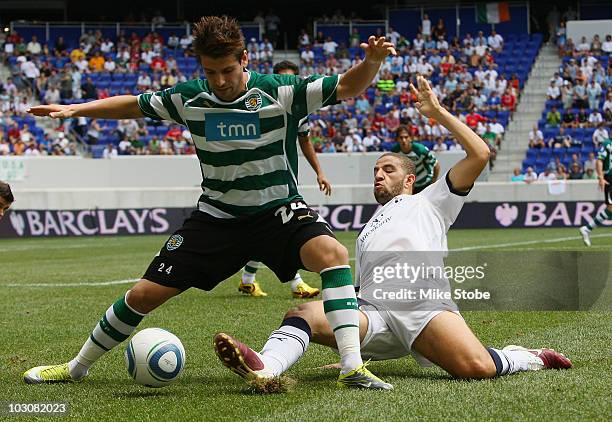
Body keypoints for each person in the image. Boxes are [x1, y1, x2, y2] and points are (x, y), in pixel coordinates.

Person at [22, 15, 397, 390]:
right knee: (142, 294)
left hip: (278, 212)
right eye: (211, 72)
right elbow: (133, 105)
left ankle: (352, 367)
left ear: (245, 59)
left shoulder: (281, 92)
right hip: (216, 219)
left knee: (332, 254)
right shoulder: (188, 97)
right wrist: (75, 109)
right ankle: (76, 367)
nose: (220, 82)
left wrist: (372, 62)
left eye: (227, 71)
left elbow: (348, 86)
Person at [212, 76, 571, 390]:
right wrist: (349, 344)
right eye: (375, 171)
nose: (378, 175)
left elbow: (479, 153)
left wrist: (437, 114)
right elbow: (358, 288)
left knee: (474, 368)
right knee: (304, 312)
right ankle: (266, 367)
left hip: (421, 305)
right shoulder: (367, 230)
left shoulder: (432, 200)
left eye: (387, 169)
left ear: (410, 180)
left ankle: (529, 357)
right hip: (375, 315)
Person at [238, 60, 331, 299]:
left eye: (292, 78)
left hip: (285, 180)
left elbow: (305, 141)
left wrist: (320, 171)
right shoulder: (256, 106)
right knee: (280, 231)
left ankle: (248, 280)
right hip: (261, 182)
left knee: (263, 232)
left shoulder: (298, 110)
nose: (287, 83)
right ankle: (296, 283)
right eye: (282, 78)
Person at [579, 137, 612, 246]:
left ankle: (587, 229)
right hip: (610, 178)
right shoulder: (607, 144)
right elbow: (599, 161)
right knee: (610, 208)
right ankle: (587, 229)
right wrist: (601, 177)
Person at [392, 125, 440, 193]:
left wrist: (433, 182)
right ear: (397, 139)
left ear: (411, 138)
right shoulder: (395, 151)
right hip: (409, 185)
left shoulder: (420, 150)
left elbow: (436, 164)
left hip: (424, 183)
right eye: (401, 137)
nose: (403, 140)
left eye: (406, 137)